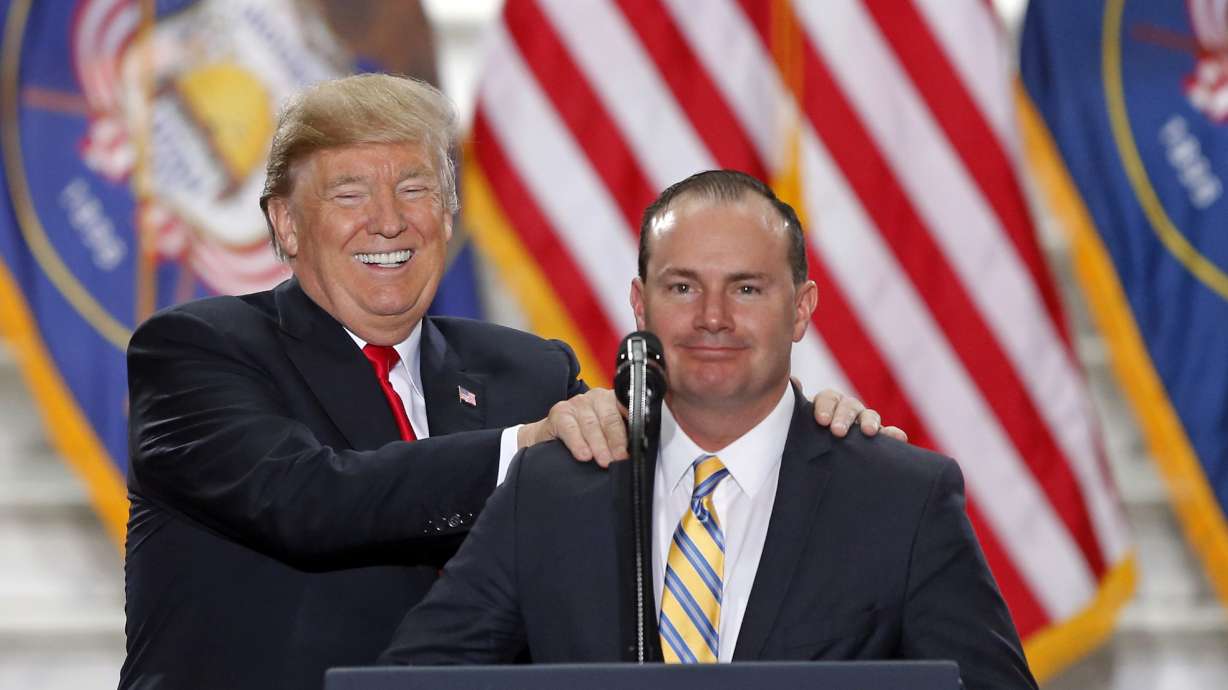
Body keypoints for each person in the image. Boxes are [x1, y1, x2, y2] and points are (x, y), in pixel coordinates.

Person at [120, 76, 893, 690]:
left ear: (449, 212)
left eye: (416, 188)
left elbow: (668, 492)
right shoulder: (196, 351)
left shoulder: (530, 372)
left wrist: (807, 444)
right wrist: (523, 447)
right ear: (286, 225)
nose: (388, 221)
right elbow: (305, 498)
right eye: (350, 193)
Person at [380, 170, 1038, 690]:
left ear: (801, 308)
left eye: (747, 289)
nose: (713, 318)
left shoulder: (900, 500)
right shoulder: (550, 491)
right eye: (683, 288)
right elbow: (411, 680)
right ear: (640, 304)